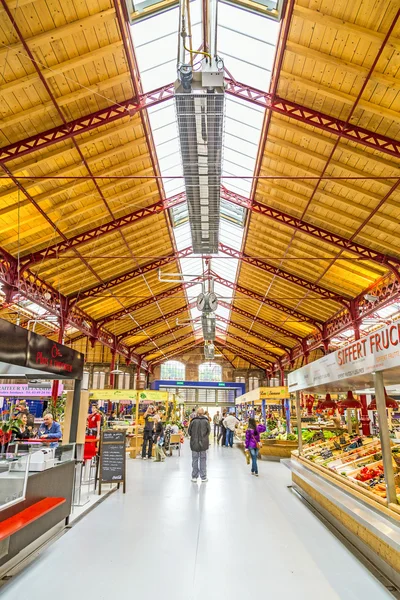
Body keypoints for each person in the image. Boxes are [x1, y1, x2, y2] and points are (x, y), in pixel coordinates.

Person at [188, 407, 211, 483]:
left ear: (197, 413)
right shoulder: (206, 421)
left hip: (194, 443)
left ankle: (194, 477)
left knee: (195, 459)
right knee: (203, 459)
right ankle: (203, 477)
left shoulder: (193, 421)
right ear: (203, 413)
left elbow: (189, 432)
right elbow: (208, 431)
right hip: (204, 443)